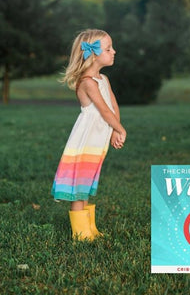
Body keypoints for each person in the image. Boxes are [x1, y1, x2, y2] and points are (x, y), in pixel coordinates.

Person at [51, 28, 127, 241]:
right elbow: (103, 110)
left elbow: (112, 106)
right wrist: (121, 129)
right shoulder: (87, 82)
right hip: (85, 142)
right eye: (109, 48)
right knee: (79, 186)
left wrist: (114, 129)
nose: (114, 51)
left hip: (97, 141)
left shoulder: (103, 79)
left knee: (87, 183)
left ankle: (89, 228)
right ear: (93, 54)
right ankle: (81, 233)